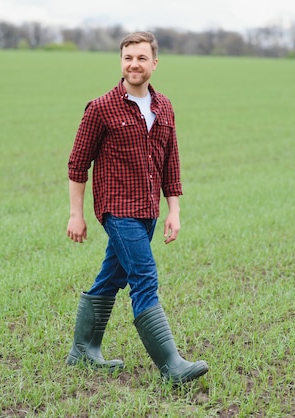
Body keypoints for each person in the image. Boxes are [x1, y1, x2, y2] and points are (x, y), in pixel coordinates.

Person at [65, 31, 208, 384]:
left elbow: (170, 163)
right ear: (121, 61)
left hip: (148, 211)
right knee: (145, 278)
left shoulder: (164, 107)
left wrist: (173, 210)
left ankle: (82, 351)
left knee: (111, 278)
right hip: (117, 210)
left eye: (142, 58)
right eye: (128, 57)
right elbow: (77, 164)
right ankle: (171, 366)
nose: (134, 64)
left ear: (154, 63)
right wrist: (76, 214)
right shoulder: (101, 108)